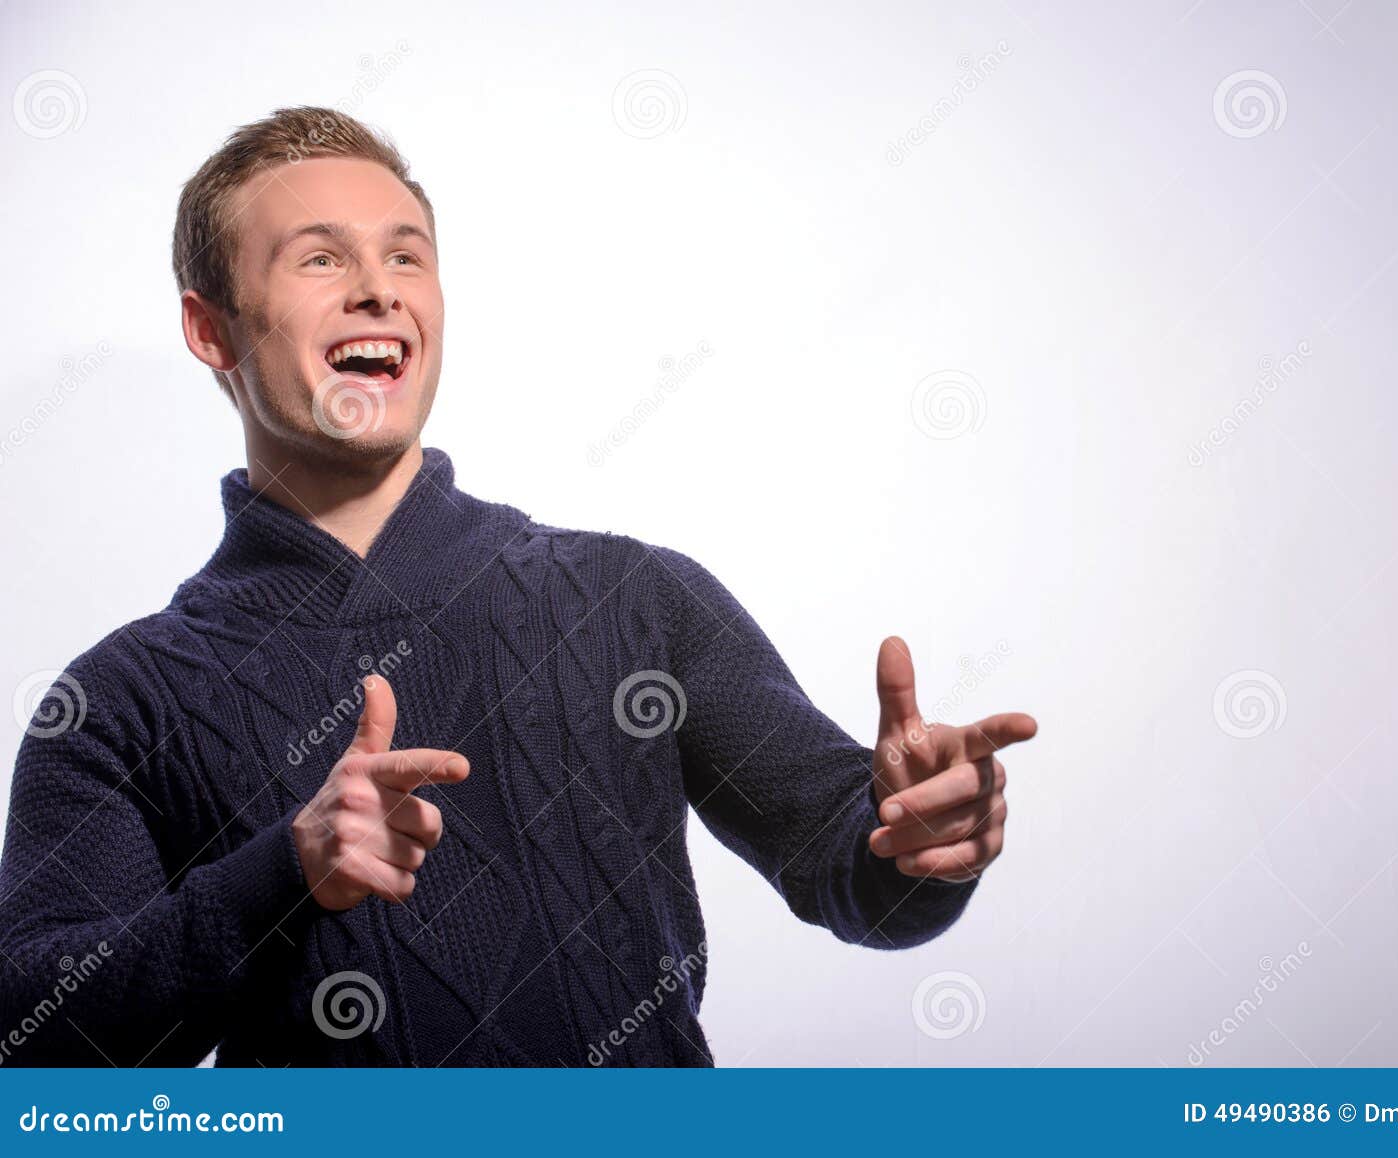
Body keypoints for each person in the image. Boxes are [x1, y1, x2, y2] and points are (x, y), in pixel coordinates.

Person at [0, 106, 1037, 1066]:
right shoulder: (122, 702)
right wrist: (282, 877)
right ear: (210, 329)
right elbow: (32, 1043)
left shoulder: (634, 596)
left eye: (406, 254)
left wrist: (919, 843)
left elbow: (848, 866)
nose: (379, 286)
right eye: (321, 257)